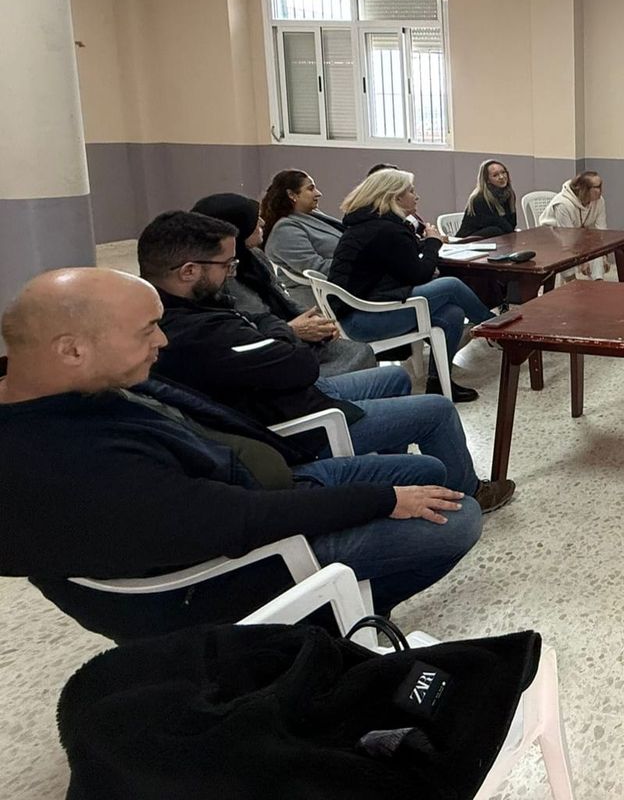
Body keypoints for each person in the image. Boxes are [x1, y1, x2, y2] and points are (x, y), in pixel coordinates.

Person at [0, 268, 483, 643]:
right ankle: (322, 618)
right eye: (148, 330)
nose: (162, 341)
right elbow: (238, 521)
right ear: (72, 350)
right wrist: (383, 501)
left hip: (262, 483)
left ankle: (351, 604)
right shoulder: (61, 458)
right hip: (232, 565)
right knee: (458, 518)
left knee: (426, 474)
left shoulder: (71, 387)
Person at [138, 210, 515, 511]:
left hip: (289, 393)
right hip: (295, 419)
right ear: (189, 271)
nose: (232, 273)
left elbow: (269, 327)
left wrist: (274, 334)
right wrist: (285, 335)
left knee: (396, 380)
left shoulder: (199, 304)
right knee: (437, 411)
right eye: (226, 266)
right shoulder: (196, 331)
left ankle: (395, 480)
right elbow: (300, 365)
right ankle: (471, 493)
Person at [329, 168, 497, 402]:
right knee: (451, 285)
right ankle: (496, 329)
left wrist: (424, 244)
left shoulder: (370, 224)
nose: (416, 196)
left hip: (362, 310)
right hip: (364, 319)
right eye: (411, 191)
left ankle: (439, 382)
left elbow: (400, 266)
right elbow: (418, 275)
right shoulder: (386, 229)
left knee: (453, 313)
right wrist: (432, 243)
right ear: (395, 197)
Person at [193, 193, 375, 377]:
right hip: (270, 353)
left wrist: (317, 320)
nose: (263, 223)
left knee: (361, 352)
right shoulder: (213, 278)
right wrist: (292, 329)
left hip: (289, 337)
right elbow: (239, 332)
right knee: (374, 367)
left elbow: (281, 296)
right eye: (256, 219)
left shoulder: (254, 256)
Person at [262, 168, 343, 309]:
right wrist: (360, 264)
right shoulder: (285, 230)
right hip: (322, 303)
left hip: (342, 290)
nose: (318, 193)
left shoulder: (312, 216)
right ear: (292, 195)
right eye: (311, 189)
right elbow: (316, 269)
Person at [538, 171, 611, 280]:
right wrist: (581, 260)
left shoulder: (599, 201)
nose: (600, 191)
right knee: (565, 255)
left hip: (577, 235)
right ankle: (571, 284)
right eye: (596, 187)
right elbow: (567, 239)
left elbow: (601, 231)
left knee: (597, 250)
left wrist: (604, 255)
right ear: (584, 189)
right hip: (552, 239)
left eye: (600, 186)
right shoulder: (563, 204)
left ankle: (598, 283)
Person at [459, 158, 518, 239]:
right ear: (487, 180)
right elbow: (500, 224)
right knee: (495, 231)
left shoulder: (509, 194)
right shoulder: (479, 198)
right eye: (495, 175)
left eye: (503, 172)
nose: (501, 177)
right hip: (467, 240)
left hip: (494, 240)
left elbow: (512, 224)